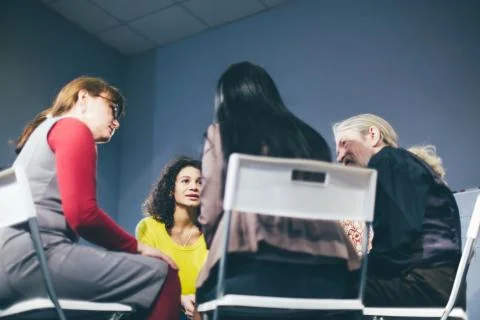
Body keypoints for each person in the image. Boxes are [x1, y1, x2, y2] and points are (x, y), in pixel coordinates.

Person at [0, 76, 181, 320]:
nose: (116, 122)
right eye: (112, 108)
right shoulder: (73, 128)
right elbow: (83, 216)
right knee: (164, 273)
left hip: (7, 266)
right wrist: (136, 247)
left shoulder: (41, 134)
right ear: (83, 97)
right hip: (33, 262)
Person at [196, 61, 361, 320]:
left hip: (251, 273)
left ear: (225, 100)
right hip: (331, 278)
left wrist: (215, 241)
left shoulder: (223, 133)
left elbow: (211, 209)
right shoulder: (310, 138)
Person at [333, 113, 464, 308]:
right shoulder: (404, 166)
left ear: (373, 135)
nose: (340, 156)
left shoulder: (387, 160)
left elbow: (396, 244)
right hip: (439, 285)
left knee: (327, 285)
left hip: (423, 284)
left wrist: (354, 269)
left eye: (344, 143)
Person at [137, 156, 208, 320]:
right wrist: (179, 299)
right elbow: (145, 282)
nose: (194, 187)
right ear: (171, 189)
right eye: (185, 181)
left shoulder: (213, 234)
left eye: (200, 182)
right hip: (158, 308)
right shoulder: (148, 227)